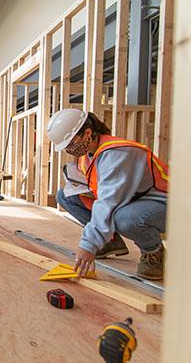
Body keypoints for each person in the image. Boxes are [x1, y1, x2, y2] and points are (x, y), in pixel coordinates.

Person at [47, 108, 168, 280]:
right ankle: (111, 241)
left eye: (70, 144)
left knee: (124, 218)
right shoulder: (89, 154)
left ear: (88, 133)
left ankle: (154, 253)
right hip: (135, 199)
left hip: (166, 204)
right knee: (66, 196)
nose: (69, 150)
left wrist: (88, 245)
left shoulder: (116, 154)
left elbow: (108, 202)